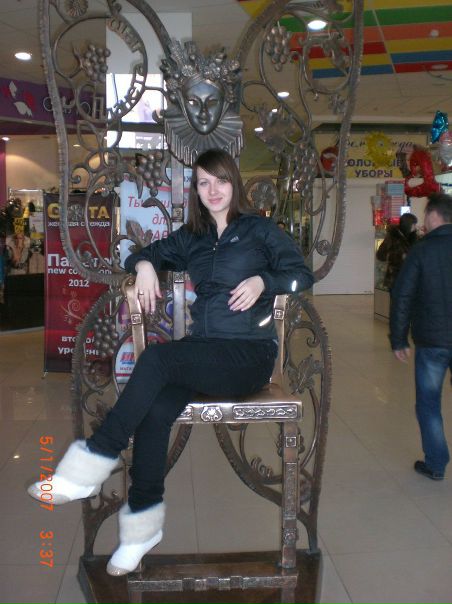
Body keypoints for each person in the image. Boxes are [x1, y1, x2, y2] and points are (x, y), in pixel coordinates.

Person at [27, 149, 314, 575]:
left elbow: (302, 275)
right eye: (203, 183)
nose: (213, 190)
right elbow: (140, 254)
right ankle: (141, 530)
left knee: (159, 360)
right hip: (204, 352)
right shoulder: (193, 236)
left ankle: (90, 465)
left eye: (220, 180)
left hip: (249, 355)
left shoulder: (259, 230)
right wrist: (145, 265)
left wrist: (263, 281)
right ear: (196, 189)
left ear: (234, 183)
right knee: (156, 408)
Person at [390, 192, 452, 481]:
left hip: (432, 341)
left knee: (429, 403)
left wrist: (398, 338)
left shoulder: (422, 250)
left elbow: (402, 295)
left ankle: (436, 464)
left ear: (433, 215)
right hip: (433, 340)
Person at [376, 212, 418, 291]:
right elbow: (380, 255)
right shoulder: (392, 236)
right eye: (414, 224)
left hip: (410, 276)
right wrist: (399, 256)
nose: (415, 227)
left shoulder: (413, 236)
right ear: (407, 225)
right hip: (395, 277)